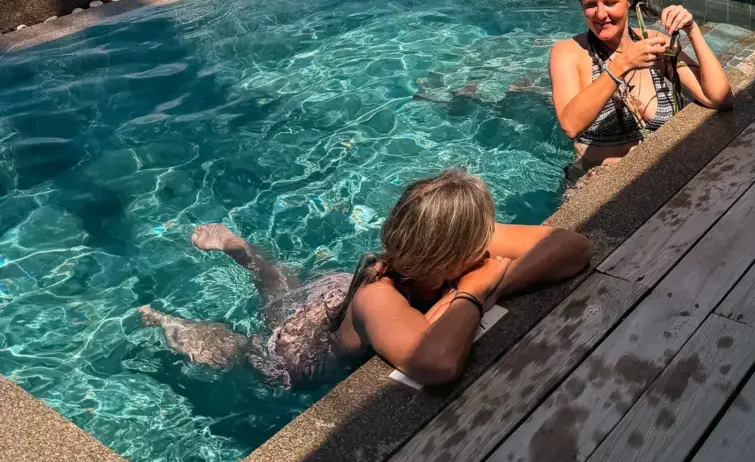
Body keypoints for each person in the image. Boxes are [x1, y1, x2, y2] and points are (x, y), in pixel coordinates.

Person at [140, 168, 589, 388]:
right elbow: (435, 365)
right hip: (296, 350)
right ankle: (173, 322)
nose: (487, 249)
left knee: (281, 286)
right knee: (243, 350)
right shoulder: (379, 297)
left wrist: (502, 282)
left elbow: (572, 247)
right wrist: (475, 289)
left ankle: (245, 252)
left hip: (331, 291)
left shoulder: (443, 249)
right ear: (458, 252)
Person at [550, 0, 733, 169]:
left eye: (610, 3)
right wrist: (621, 65)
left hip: (662, 173)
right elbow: (570, 125)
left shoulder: (654, 45)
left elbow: (720, 99)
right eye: (590, 4)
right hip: (597, 183)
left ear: (629, 0)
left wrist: (692, 30)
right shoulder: (568, 53)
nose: (600, 14)